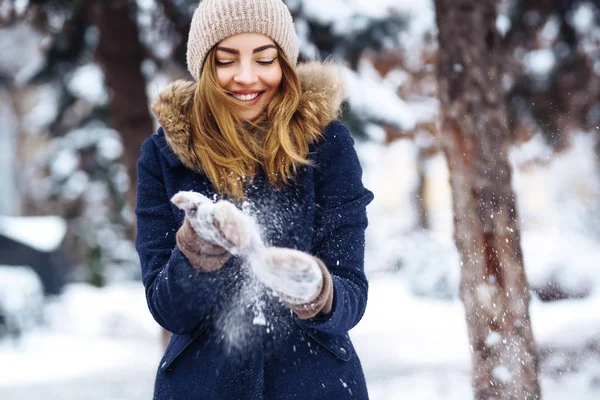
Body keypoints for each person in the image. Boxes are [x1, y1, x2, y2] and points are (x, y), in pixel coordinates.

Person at [135, 0, 374, 398]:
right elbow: (168, 309)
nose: (246, 77)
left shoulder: (327, 145)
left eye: (265, 59)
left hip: (317, 387)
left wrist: (317, 290)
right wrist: (198, 249)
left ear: (285, 62)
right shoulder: (165, 156)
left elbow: (351, 294)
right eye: (226, 61)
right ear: (204, 67)